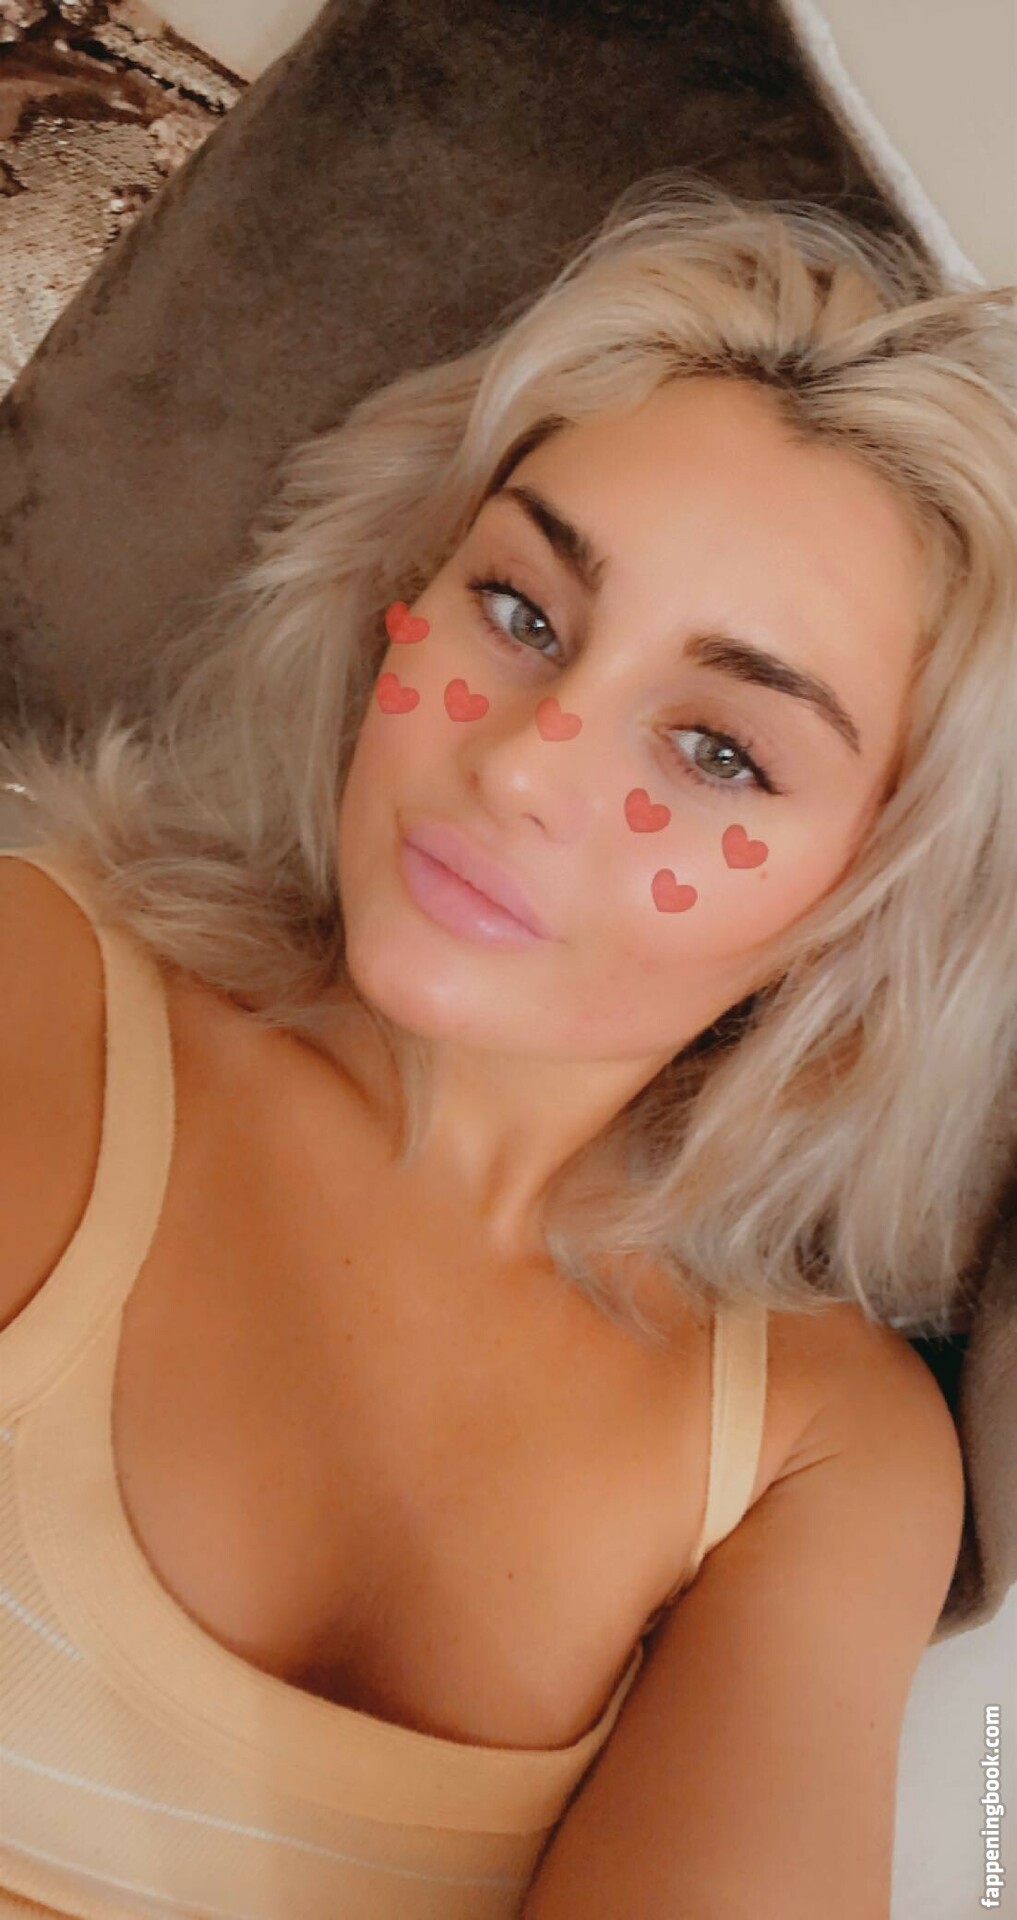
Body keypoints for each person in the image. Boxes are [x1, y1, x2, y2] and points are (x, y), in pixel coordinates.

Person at [0, 179, 1014, 1919]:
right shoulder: (36, 993)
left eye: (718, 750)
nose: (524, 763)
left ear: (876, 901)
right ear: (399, 592)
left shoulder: (820, 1446)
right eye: (523, 613)